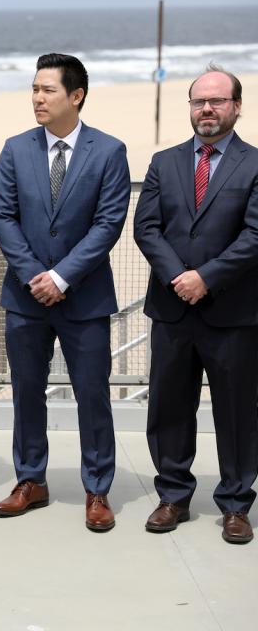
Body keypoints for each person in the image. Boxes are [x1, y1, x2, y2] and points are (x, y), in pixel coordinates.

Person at [0, 53, 130, 531]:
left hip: (85, 298)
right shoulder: (14, 148)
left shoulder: (109, 151)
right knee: (27, 393)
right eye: (33, 89)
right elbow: (3, 217)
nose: (37, 98)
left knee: (93, 395)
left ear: (76, 95)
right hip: (25, 298)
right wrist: (36, 276)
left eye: (47, 90)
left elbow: (109, 223)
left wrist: (63, 277)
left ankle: (97, 488)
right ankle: (31, 480)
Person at [133, 66, 258, 545]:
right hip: (172, 309)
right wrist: (178, 277)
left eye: (217, 101)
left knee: (236, 411)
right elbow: (147, 228)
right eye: (198, 101)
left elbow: (254, 235)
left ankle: (235, 504)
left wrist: (206, 277)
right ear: (190, 107)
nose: (207, 109)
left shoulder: (253, 163)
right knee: (168, 407)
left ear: (236, 106)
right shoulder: (164, 163)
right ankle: (173, 496)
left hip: (233, 313)